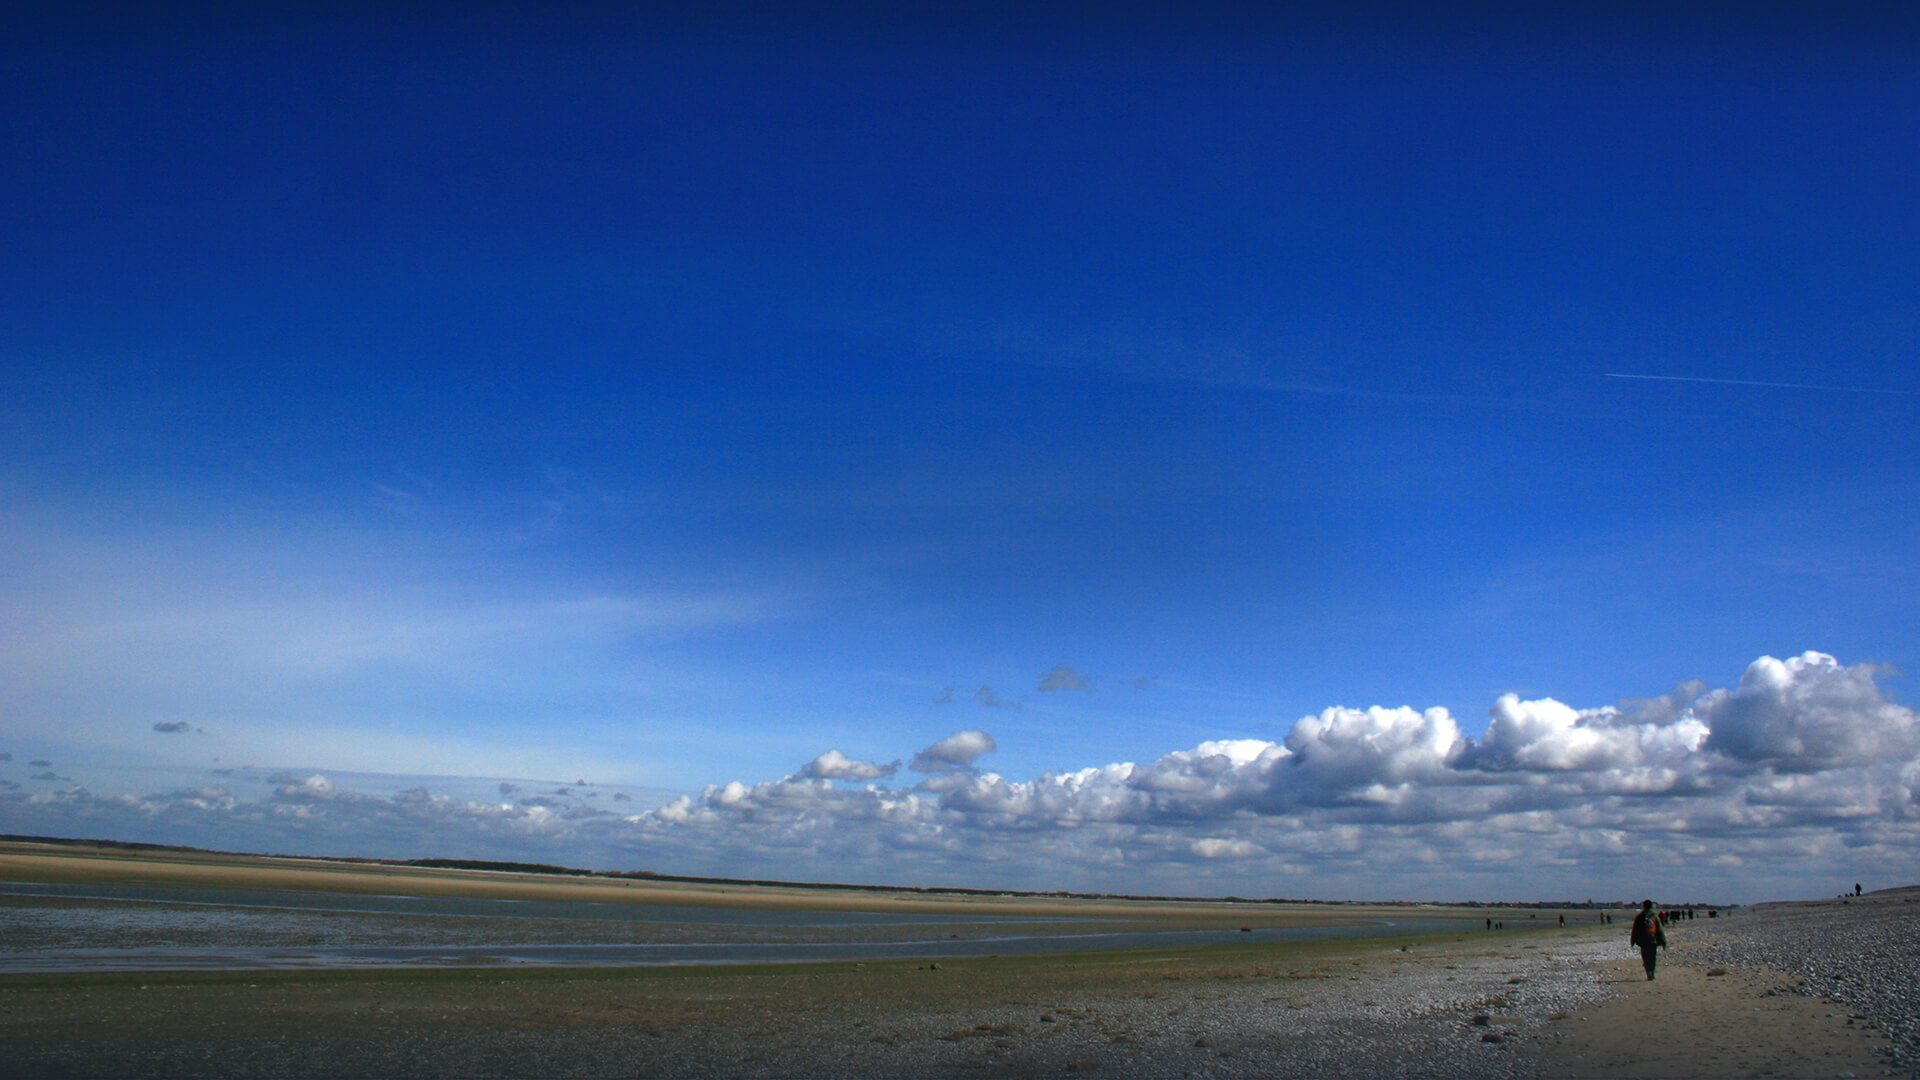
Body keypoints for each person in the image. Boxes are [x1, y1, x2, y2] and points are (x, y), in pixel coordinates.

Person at [1629, 899, 1666, 980]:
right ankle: (1652, 973)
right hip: (1653, 940)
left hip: (1643, 941)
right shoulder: (1654, 916)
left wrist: (1633, 941)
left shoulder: (1640, 916)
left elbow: (1635, 930)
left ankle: (1648, 973)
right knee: (1652, 957)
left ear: (1644, 906)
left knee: (1645, 957)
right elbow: (1660, 930)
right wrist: (1663, 942)